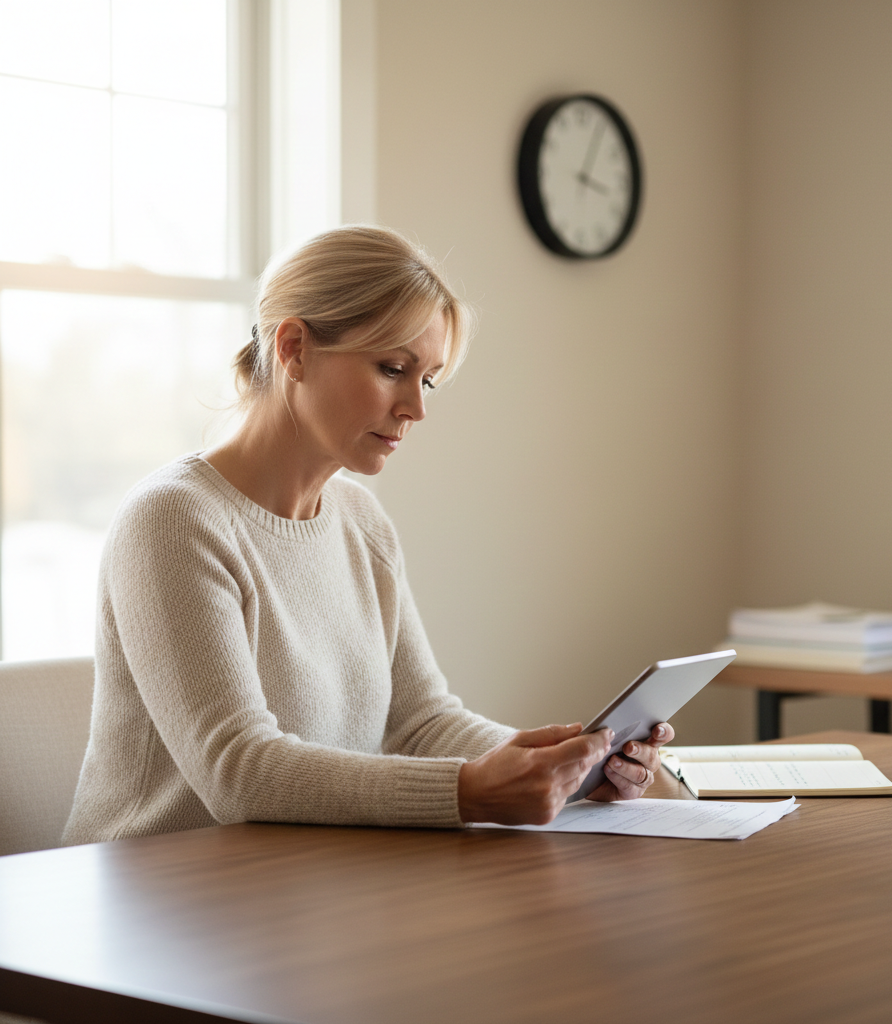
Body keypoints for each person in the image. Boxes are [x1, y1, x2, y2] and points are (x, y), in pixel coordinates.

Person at [62, 226, 674, 846]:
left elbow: (421, 723)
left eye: (427, 379)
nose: (416, 408)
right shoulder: (173, 520)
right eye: (392, 369)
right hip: (153, 887)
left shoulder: (361, 521)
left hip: (299, 879)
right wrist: (469, 790)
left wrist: (565, 766)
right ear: (294, 349)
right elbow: (238, 772)